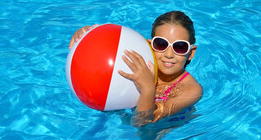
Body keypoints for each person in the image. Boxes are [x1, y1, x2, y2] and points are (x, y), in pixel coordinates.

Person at [69, 11, 203, 127]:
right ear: (150, 45)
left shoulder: (192, 90)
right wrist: (86, 34)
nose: (168, 54)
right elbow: (108, 45)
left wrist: (148, 89)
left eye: (180, 47)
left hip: (162, 129)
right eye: (161, 44)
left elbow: (142, 124)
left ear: (191, 53)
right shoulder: (140, 52)